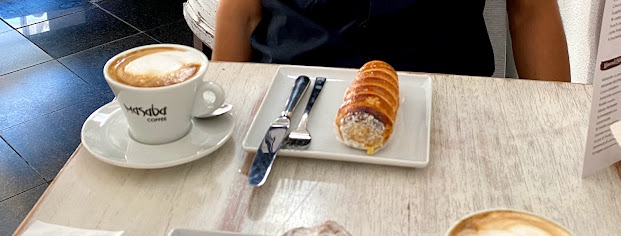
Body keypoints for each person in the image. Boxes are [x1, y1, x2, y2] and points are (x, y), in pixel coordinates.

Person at [211, 0, 571, 82]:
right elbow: (241, 12)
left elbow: (530, 12)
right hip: (294, 89)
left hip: (446, 90)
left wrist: (565, 134)